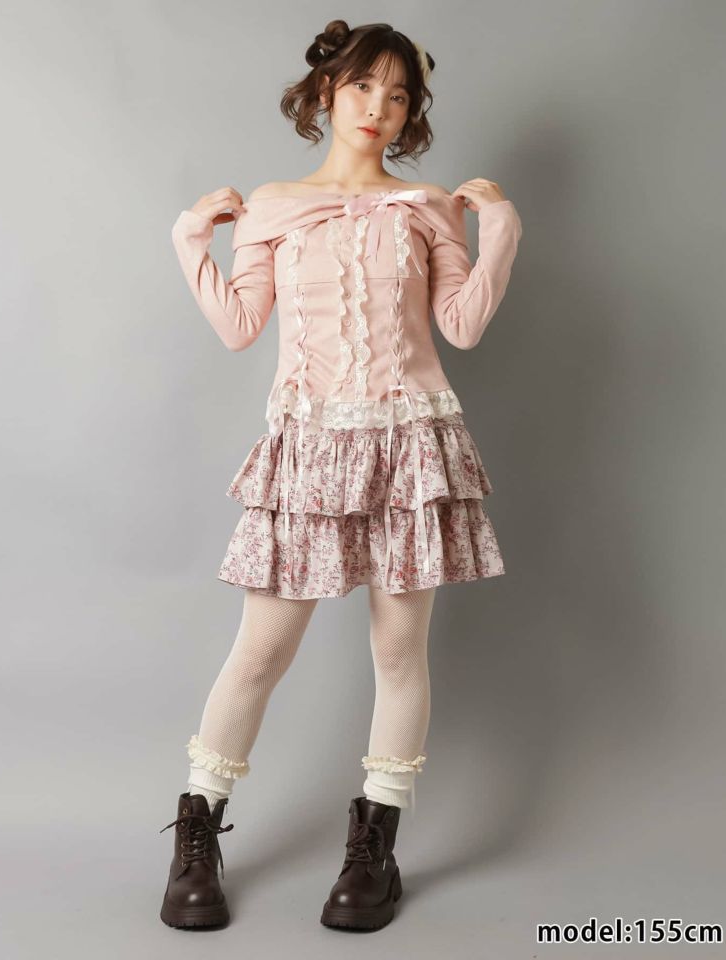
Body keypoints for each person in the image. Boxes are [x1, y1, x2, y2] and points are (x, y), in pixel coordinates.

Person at [159, 18, 523, 932]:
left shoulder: (428, 206)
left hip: (410, 446)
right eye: (364, 86)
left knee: (399, 654)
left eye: (399, 95)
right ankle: (195, 841)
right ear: (328, 90)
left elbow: (462, 326)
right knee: (260, 654)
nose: (379, 108)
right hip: (310, 448)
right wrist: (190, 240)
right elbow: (240, 326)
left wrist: (501, 230)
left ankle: (374, 855)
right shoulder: (276, 206)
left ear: (411, 112)